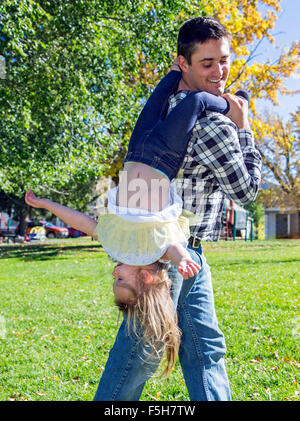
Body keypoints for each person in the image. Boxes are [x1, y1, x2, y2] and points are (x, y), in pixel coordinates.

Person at [25, 58, 233, 375]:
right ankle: (235, 102)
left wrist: (47, 205)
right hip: (164, 157)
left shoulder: (115, 244)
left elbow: (82, 222)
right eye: (121, 281)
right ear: (146, 277)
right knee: (197, 101)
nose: (114, 275)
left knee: (161, 92)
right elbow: (176, 247)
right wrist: (182, 260)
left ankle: (182, 68)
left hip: (135, 152)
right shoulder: (158, 250)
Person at [93, 16, 262, 401]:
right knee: (138, 355)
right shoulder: (214, 125)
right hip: (166, 254)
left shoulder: (166, 106)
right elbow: (247, 191)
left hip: (186, 251)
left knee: (205, 351)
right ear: (183, 63)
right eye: (207, 63)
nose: (220, 72)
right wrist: (245, 127)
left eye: (225, 60)